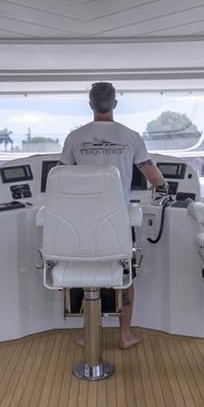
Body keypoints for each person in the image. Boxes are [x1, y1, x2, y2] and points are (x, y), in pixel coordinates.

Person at [59, 81, 166, 349]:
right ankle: (125, 335)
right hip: (117, 220)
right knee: (123, 274)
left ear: (91, 105)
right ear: (115, 104)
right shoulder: (131, 136)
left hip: (81, 222)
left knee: (86, 270)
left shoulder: (75, 137)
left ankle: (87, 334)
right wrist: (161, 189)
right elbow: (155, 178)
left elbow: (58, 179)